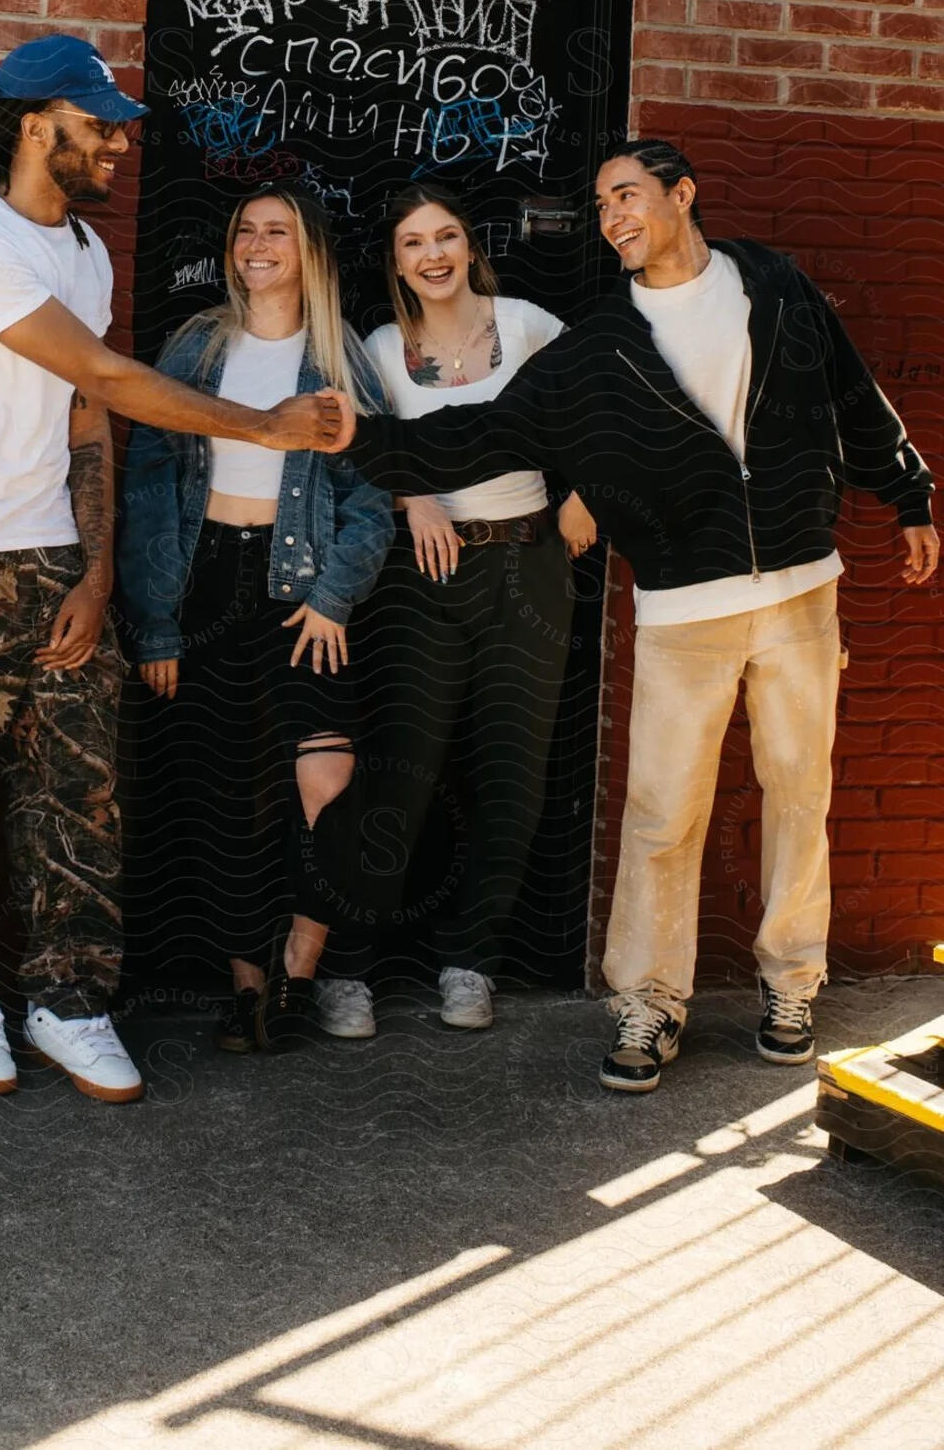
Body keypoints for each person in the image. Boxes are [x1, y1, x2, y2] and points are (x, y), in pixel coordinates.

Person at [343, 141, 937, 1091]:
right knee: (662, 812)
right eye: (600, 203)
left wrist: (905, 493)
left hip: (798, 587)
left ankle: (791, 982)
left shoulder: (771, 283)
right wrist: (360, 440)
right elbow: (487, 432)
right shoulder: (600, 342)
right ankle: (649, 1001)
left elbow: (849, 388)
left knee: (798, 797)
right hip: (682, 606)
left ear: (681, 195)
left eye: (627, 194)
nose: (613, 215)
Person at [0, 38, 347, 1105]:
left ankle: (69, 998)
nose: (119, 144)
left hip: (54, 557)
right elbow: (100, 369)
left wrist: (94, 575)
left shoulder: (85, 249)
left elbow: (86, 416)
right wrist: (264, 427)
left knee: (76, 795)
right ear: (33, 125)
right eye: (98, 124)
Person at [116, 185, 394, 1053]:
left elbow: (373, 495)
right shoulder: (197, 345)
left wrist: (333, 595)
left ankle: (299, 973)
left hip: (300, 586)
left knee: (327, 785)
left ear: (308, 250)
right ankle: (247, 988)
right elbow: (149, 484)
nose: (258, 244)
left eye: (278, 230)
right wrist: (156, 621)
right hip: (203, 582)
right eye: (245, 230)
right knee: (225, 796)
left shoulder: (339, 356)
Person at [348, 184, 595, 1040]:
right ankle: (350, 966)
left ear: (468, 246)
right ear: (396, 262)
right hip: (422, 572)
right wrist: (409, 494)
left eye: (446, 236)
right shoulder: (379, 347)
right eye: (413, 242)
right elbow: (351, 443)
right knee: (400, 768)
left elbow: (608, 397)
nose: (433, 254)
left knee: (510, 773)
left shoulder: (525, 324)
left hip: (529, 562)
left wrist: (585, 493)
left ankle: (471, 960)